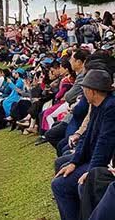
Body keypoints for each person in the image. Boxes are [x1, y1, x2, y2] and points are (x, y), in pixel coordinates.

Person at [52, 69, 115, 220]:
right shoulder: (99, 105)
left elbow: (104, 144)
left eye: (84, 88)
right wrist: (74, 162)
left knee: (61, 185)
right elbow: (86, 137)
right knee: (62, 172)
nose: (83, 91)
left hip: (104, 165)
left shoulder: (110, 107)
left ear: (92, 91)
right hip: (95, 160)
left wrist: (91, 171)